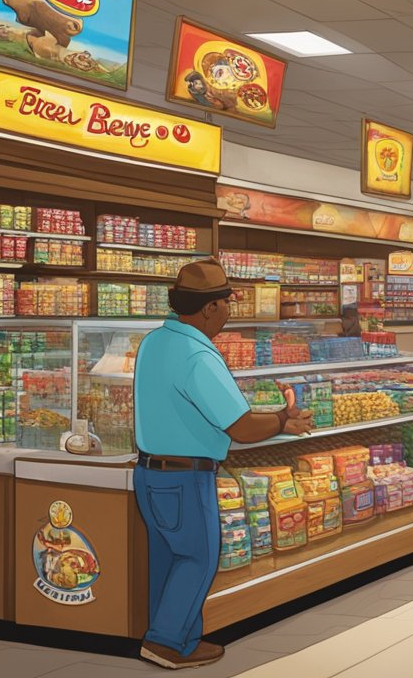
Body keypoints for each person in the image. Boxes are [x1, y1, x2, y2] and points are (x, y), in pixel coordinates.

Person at [133, 260, 315, 669]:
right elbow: (242, 427)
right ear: (210, 308)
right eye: (227, 303)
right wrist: (284, 419)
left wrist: (272, 418)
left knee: (167, 557)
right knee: (198, 557)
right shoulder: (197, 354)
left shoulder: (154, 342)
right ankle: (164, 643)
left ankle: (179, 639)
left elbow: (195, 409)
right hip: (185, 476)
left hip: (149, 473)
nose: (230, 311)